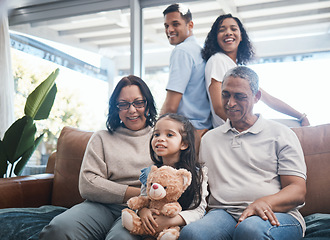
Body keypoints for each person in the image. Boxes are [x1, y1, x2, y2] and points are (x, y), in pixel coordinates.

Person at [179, 66, 307, 240]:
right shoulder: (209, 140)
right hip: (224, 215)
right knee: (192, 234)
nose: (230, 103)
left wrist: (263, 202)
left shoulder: (281, 134)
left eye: (239, 96)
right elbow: (200, 189)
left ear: (256, 97)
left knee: (250, 230)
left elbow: (297, 191)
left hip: (274, 213)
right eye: (225, 95)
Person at [39, 75, 157, 240]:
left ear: (148, 104)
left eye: (138, 102)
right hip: (101, 207)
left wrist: (143, 202)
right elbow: (88, 185)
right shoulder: (102, 137)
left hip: (141, 210)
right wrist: (140, 194)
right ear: (116, 108)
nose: (131, 110)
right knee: (58, 228)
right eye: (123, 104)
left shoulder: (160, 137)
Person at [202, 13, 310, 128]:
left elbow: (268, 99)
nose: (228, 32)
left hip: (244, 124)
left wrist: (301, 116)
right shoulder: (217, 60)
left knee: (296, 125)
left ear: (241, 36)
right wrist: (246, 127)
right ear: (216, 37)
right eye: (222, 30)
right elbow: (218, 107)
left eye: (233, 29)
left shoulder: (235, 68)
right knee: (290, 129)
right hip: (233, 129)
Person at [132, 113, 208, 238]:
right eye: (156, 134)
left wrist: (170, 221)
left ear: (184, 144)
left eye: (169, 135)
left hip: (178, 227)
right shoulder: (151, 171)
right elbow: (143, 199)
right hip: (152, 226)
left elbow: (199, 210)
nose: (160, 138)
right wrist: (143, 212)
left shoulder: (197, 173)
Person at [160, 3, 211, 138]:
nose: (169, 30)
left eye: (175, 24)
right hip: (204, 129)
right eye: (166, 25)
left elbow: (171, 107)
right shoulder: (200, 51)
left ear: (190, 25)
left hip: (187, 133)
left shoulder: (182, 51)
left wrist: (156, 131)